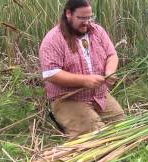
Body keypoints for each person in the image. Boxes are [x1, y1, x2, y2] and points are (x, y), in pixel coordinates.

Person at [39, 0, 125, 138]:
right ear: (68, 14)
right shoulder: (53, 39)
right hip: (68, 99)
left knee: (123, 126)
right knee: (98, 135)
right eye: (81, 18)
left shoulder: (97, 31)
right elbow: (51, 74)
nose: (87, 22)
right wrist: (85, 81)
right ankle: (68, 121)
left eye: (89, 17)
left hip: (99, 95)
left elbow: (111, 55)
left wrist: (110, 71)